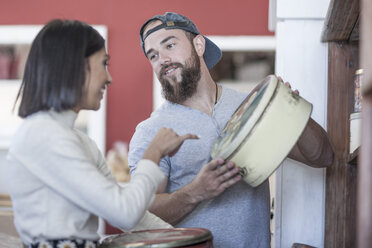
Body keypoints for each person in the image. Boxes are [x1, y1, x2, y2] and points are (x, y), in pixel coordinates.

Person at [128, 12, 334, 248]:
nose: (162, 59)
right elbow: (142, 215)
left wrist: (294, 112)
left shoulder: (253, 107)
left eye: (170, 45)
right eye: (153, 55)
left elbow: (323, 157)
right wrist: (195, 192)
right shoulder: (151, 131)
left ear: (198, 44)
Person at [6, 19, 199, 248]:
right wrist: (153, 154)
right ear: (74, 67)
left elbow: (133, 216)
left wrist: (189, 242)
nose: (109, 78)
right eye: (103, 64)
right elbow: (124, 213)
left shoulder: (79, 141)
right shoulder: (41, 134)